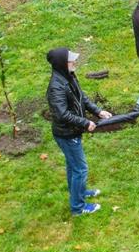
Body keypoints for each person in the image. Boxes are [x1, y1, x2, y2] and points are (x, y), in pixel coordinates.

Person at [46, 47, 111, 216]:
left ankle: (78, 192)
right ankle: (78, 207)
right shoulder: (56, 87)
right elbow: (62, 114)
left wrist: (97, 111)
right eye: (71, 60)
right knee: (80, 169)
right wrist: (85, 122)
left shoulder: (69, 77)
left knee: (73, 165)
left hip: (72, 132)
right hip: (67, 134)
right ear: (62, 63)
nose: (75, 61)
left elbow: (82, 97)